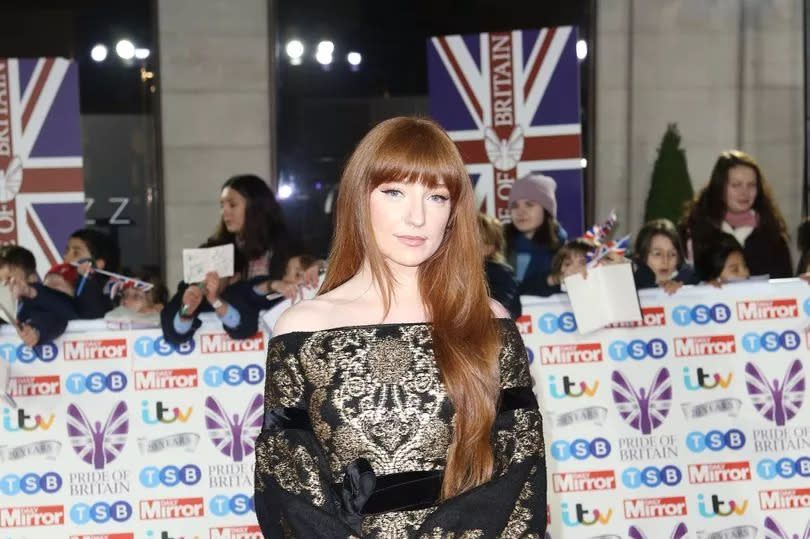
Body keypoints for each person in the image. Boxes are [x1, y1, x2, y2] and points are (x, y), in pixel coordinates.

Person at [255, 117, 546, 537]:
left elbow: (520, 471)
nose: (416, 217)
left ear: (453, 213)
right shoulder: (303, 328)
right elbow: (285, 486)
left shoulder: (487, 320)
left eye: (436, 197)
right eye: (394, 192)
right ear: (360, 198)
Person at [207, 174, 321, 299]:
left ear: (255, 206)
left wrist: (316, 268)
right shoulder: (217, 248)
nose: (224, 212)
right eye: (222, 206)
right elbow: (187, 293)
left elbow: (318, 269)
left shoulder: (287, 242)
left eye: (232, 205)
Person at [680, 150, 792, 278]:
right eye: (736, 185)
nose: (744, 192)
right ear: (720, 187)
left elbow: (785, 284)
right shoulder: (696, 230)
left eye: (751, 185)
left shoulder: (772, 233)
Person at [0, 246, 77, 347]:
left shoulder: (40, 303)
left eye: (10, 279)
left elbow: (66, 314)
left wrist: (36, 332)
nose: (3, 286)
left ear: (31, 279)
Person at [504, 173, 567, 296]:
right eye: (515, 206)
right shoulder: (498, 245)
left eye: (529, 204)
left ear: (546, 210)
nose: (520, 212)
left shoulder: (564, 251)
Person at [63, 227, 120, 318]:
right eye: (66, 251)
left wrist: (85, 280)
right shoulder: (63, 285)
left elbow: (91, 315)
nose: (66, 258)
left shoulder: (106, 294)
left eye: (76, 253)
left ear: (98, 264)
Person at [633, 219, 698, 295]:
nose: (665, 261)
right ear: (640, 256)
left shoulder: (689, 278)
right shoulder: (629, 284)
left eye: (672, 254)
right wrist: (656, 288)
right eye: (657, 254)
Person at [477, 213, 521, 318]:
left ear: (488, 248)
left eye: (471, 239)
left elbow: (509, 309)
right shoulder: (449, 271)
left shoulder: (500, 273)